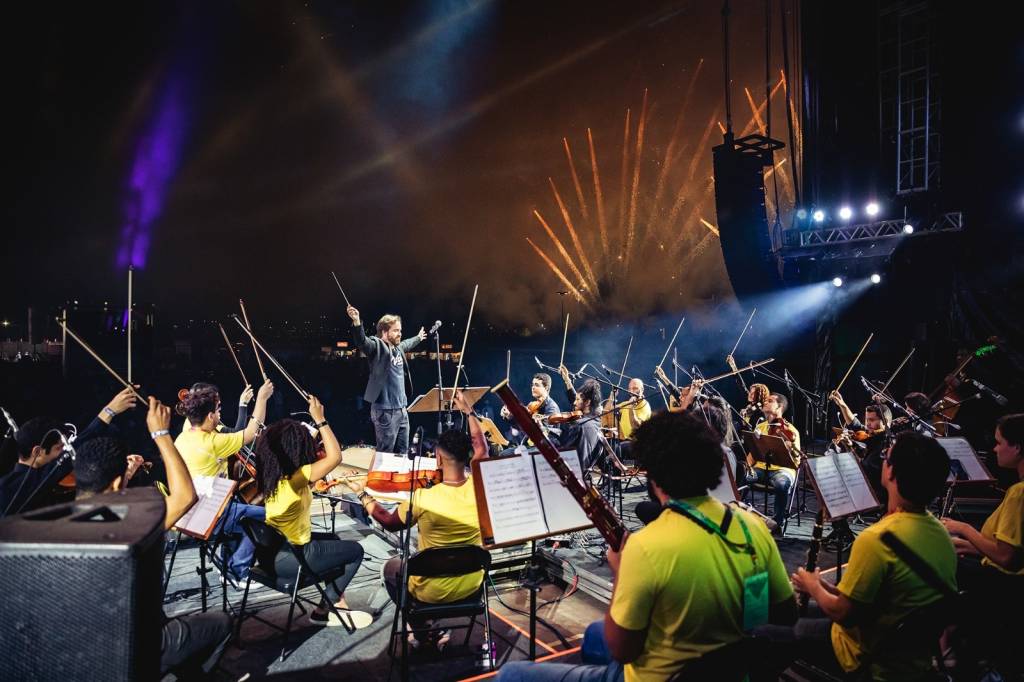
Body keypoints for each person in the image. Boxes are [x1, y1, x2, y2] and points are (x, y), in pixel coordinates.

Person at [498, 411, 797, 682]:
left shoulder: (647, 546)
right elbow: (784, 614)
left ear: (653, 476)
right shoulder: (752, 526)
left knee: (512, 674)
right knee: (592, 634)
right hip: (732, 669)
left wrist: (620, 572)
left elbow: (622, 650)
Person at [770, 432, 955, 681]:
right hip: (910, 658)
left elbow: (843, 614)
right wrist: (825, 586)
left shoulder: (876, 538)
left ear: (891, 473)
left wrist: (813, 586)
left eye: (885, 458)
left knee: (769, 633)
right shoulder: (941, 533)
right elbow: (875, 601)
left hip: (867, 659)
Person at [76, 397, 231, 678]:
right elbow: (185, 497)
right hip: (135, 644)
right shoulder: (128, 527)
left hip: (86, 647)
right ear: (114, 483)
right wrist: (161, 434)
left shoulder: (56, 522)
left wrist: (125, 474)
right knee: (220, 623)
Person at [345, 390, 488, 648]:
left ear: (438, 459)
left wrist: (362, 495)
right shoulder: (479, 487)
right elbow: (482, 447)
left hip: (431, 592)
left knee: (390, 567)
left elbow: (387, 521)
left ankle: (421, 628)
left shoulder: (422, 498)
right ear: (467, 457)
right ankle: (433, 628)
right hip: (472, 586)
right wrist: (468, 411)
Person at [253, 395, 370, 628]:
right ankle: (327, 608)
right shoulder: (296, 477)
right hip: (292, 558)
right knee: (355, 551)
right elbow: (336, 456)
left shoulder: (272, 475)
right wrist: (321, 420)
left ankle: (335, 605)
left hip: (270, 555)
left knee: (335, 540)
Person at [940, 413, 1024, 665]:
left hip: (1004, 587)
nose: (994, 448)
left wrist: (964, 530)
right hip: (1007, 580)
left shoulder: (1019, 493)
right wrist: (971, 546)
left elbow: (1007, 558)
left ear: (1018, 447)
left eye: (999, 442)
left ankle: (945, 644)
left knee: (934, 566)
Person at [174, 380, 274, 582]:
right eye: (218, 411)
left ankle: (228, 564)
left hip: (187, 512)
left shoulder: (183, 437)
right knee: (273, 517)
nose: (220, 415)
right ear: (210, 416)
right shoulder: (213, 442)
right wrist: (262, 398)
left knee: (238, 508)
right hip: (210, 513)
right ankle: (236, 571)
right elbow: (251, 431)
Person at [0, 387, 137, 517]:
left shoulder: (39, 482)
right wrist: (108, 412)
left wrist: (125, 475)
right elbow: (64, 462)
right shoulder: (14, 487)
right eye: (59, 448)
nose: (63, 452)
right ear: (37, 451)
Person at [346, 305, 427, 454]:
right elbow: (362, 342)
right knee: (385, 453)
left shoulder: (398, 348)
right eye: (396, 330)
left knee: (402, 452)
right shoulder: (377, 346)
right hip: (385, 411)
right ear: (384, 331)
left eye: (400, 330)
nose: (399, 334)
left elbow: (407, 343)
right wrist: (357, 322)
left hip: (402, 410)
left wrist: (418, 338)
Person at [746, 392, 801, 533]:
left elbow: (796, 461)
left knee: (782, 485)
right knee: (742, 477)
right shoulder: (760, 428)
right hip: (761, 468)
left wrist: (789, 448)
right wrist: (745, 468)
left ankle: (777, 523)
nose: (765, 402)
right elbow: (752, 454)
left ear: (779, 407)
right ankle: (740, 512)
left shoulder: (791, 430)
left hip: (782, 469)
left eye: (770, 401)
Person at [557, 366, 604, 472]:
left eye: (577, 400)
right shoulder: (596, 420)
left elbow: (563, 451)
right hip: (585, 469)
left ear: (587, 402)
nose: (574, 402)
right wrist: (567, 380)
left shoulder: (579, 425)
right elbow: (577, 399)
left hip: (573, 471)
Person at [500, 373, 560, 444]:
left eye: (537, 385)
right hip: (530, 443)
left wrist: (533, 423)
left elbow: (546, 433)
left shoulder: (551, 407)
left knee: (506, 453)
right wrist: (509, 415)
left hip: (543, 446)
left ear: (546, 388)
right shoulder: (533, 405)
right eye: (533, 384)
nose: (533, 387)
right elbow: (520, 425)